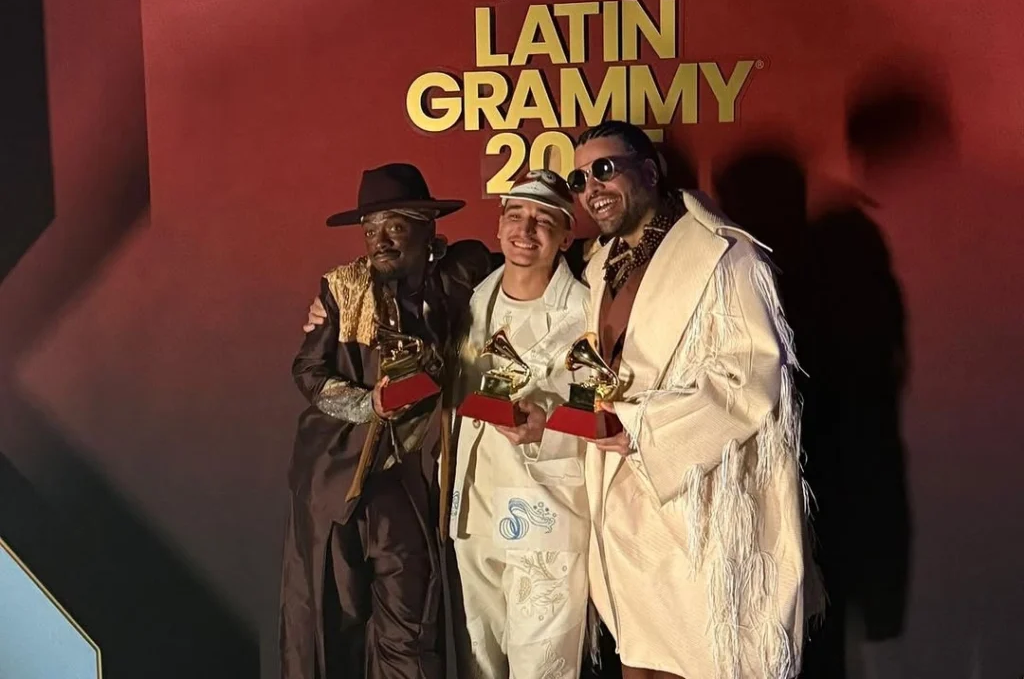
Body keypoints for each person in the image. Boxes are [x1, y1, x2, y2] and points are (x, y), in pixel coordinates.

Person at [560, 121, 815, 679]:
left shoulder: (727, 257)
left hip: (699, 504)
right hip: (627, 511)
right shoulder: (603, 266)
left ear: (649, 172)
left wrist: (645, 431)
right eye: (579, 179)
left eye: (605, 169)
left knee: (706, 657)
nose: (591, 188)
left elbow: (751, 377)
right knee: (644, 659)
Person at [279, 162, 490, 679]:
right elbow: (306, 370)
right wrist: (366, 404)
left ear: (427, 226)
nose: (381, 241)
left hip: (410, 485)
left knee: (410, 633)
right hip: (337, 484)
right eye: (371, 230)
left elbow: (533, 259)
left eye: (395, 226)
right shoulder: (342, 289)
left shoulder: (459, 277)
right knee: (332, 629)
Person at [450, 170, 591, 679]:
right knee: (478, 660)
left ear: (567, 235)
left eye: (544, 221)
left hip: (543, 510)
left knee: (542, 668)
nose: (526, 230)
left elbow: (603, 409)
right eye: (516, 215)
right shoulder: (472, 299)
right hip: (474, 506)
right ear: (498, 225)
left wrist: (547, 422)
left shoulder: (587, 309)